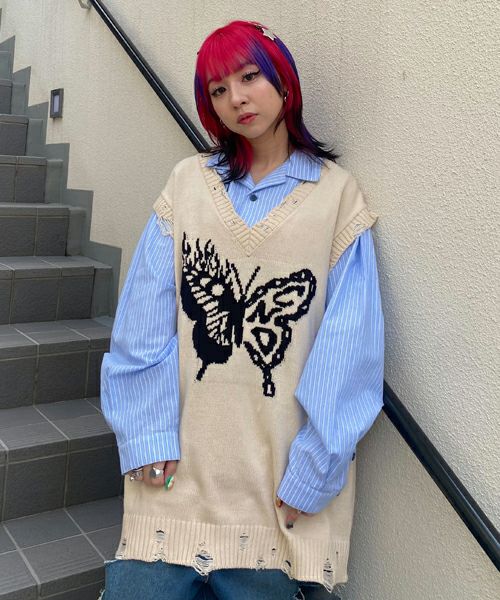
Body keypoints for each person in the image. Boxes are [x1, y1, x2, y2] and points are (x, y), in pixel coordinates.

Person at [99, 19, 384, 600]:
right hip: (175, 480)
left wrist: (314, 473)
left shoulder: (336, 196)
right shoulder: (187, 184)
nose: (237, 98)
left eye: (250, 76)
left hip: (279, 495)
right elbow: (142, 324)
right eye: (218, 89)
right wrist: (147, 433)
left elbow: (350, 353)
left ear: (283, 79)